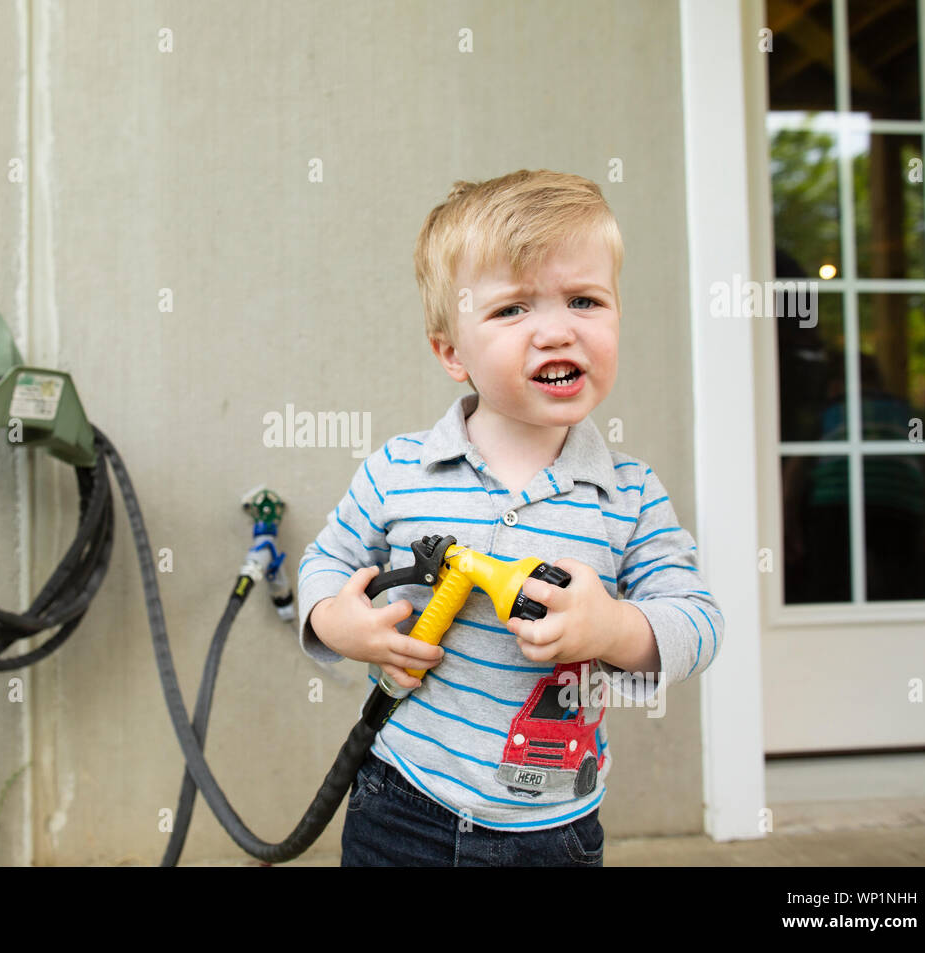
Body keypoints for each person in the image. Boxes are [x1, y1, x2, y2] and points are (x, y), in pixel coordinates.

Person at [295, 169, 725, 867]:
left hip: (553, 829)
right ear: (451, 353)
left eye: (584, 300)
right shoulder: (398, 472)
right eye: (513, 310)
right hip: (403, 798)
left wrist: (613, 627)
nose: (556, 330)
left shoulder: (630, 495)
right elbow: (326, 564)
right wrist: (334, 622)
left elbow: (699, 621)